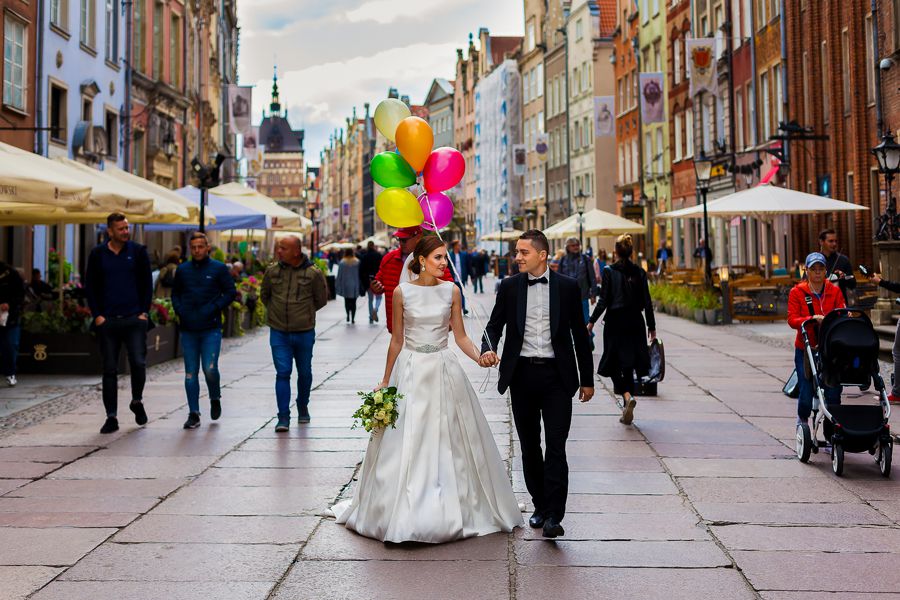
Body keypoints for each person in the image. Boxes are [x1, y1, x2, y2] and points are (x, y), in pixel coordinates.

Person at [331, 235, 521, 543]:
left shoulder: (452, 291)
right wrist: (385, 379)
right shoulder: (401, 292)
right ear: (421, 261)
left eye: (446, 258)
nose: (445, 264)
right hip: (411, 369)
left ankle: (451, 504)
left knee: (451, 438)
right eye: (438, 258)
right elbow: (396, 339)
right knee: (408, 437)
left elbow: (460, 337)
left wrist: (480, 356)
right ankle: (402, 509)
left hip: (444, 368)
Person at [480, 230, 595, 539]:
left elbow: (580, 337)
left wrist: (587, 379)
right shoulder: (509, 287)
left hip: (558, 377)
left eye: (523, 252)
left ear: (542, 255)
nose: (517, 257)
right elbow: (494, 325)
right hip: (522, 376)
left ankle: (555, 515)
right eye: (517, 252)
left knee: (556, 447)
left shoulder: (568, 288)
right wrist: (487, 348)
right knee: (530, 447)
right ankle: (540, 505)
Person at [85, 213, 153, 434]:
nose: (126, 231)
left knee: (138, 362)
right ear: (110, 231)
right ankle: (111, 416)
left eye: (127, 227)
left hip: (134, 319)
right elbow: (91, 287)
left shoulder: (138, 252)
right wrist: (98, 315)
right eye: (121, 228)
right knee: (109, 369)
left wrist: (143, 312)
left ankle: (136, 400)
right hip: (108, 321)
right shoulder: (97, 254)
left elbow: (146, 284)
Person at [587, 235, 656, 425]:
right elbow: (647, 301)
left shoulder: (609, 271)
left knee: (612, 362)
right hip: (635, 320)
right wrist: (652, 326)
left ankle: (627, 396)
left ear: (616, 252)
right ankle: (628, 398)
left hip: (616, 320)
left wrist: (592, 321)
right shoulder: (640, 272)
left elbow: (604, 300)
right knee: (629, 363)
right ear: (631, 252)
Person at [171, 232, 236, 430]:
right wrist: (181, 311)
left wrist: (214, 307)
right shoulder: (183, 270)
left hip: (210, 328)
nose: (197, 250)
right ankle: (194, 412)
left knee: (210, 368)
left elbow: (230, 292)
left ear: (208, 247)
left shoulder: (218, 268)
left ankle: (214, 397)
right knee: (190, 373)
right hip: (189, 328)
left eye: (201, 246)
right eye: (194, 247)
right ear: (190, 249)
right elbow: (175, 294)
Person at [262, 235, 328, 431]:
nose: (279, 251)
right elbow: (265, 295)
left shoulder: (313, 273)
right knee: (282, 373)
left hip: (304, 331)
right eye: (279, 247)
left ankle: (303, 404)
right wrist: (277, 313)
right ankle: (283, 416)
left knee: (305, 372)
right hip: (279, 331)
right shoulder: (272, 271)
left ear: (296, 251)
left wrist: (304, 313)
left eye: (283, 248)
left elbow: (321, 299)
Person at [787, 252, 845, 426]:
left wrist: (842, 315)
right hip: (806, 348)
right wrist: (811, 319)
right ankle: (802, 420)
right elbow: (792, 319)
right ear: (807, 271)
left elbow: (841, 311)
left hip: (829, 348)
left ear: (826, 271)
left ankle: (832, 427)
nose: (818, 272)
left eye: (821, 269)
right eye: (814, 269)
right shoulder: (797, 292)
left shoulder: (834, 291)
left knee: (833, 389)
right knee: (805, 389)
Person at [371, 227, 453, 333]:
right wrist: (376, 287)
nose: (401, 243)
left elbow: (449, 288)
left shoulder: (433, 259)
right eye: (398, 239)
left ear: (418, 238)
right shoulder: (389, 259)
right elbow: (379, 281)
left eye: (404, 240)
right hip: (398, 326)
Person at [558, 237, 598, 343]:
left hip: (583, 295)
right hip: (568, 297)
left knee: (585, 319)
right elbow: (558, 278)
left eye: (577, 245)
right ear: (567, 247)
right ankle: (583, 339)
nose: (576, 247)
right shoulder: (563, 260)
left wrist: (593, 294)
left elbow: (592, 277)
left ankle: (588, 339)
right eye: (573, 245)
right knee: (571, 322)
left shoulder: (585, 259)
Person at [0, 261, 25, 387]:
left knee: (10, 345)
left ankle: (10, 373)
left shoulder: (10, 273)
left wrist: (9, 304)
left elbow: (20, 294)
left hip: (10, 317)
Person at [818, 228, 854, 301]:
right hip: (819, 303)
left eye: (835, 241)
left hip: (840, 303)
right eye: (831, 241)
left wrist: (844, 276)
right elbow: (806, 282)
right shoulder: (814, 260)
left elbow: (853, 284)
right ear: (821, 242)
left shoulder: (843, 260)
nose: (834, 244)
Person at [358, 242, 383, 324]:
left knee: (370, 299)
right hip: (378, 279)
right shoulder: (378, 255)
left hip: (368, 281)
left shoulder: (364, 256)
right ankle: (376, 309)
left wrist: (364, 280)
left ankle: (371, 316)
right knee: (379, 297)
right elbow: (382, 267)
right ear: (373, 246)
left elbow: (361, 270)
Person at [335, 248, 361, 324]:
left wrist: (337, 284)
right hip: (355, 285)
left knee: (346, 302)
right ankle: (353, 318)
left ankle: (347, 316)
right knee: (354, 303)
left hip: (345, 285)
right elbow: (360, 274)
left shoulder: (342, 262)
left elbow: (339, 275)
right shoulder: (357, 262)